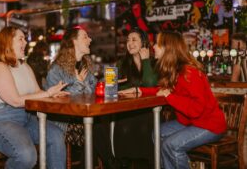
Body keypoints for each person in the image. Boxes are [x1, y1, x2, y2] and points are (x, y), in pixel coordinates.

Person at [120, 31, 227, 169]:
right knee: (157, 133)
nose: (153, 46)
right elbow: (163, 90)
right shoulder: (174, 71)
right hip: (191, 122)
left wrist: (170, 97)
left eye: (157, 44)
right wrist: (138, 90)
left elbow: (196, 108)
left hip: (209, 125)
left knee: (171, 145)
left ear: (167, 48)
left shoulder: (189, 73)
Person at [0, 26, 69, 169]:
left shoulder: (25, 66)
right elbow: (15, 101)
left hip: (26, 117)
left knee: (56, 136)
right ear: (7, 43)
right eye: (21, 39)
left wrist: (53, 94)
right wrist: (47, 93)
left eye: (25, 39)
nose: (25, 43)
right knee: (26, 155)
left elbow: (38, 92)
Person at [94, 28, 158, 168]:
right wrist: (114, 85)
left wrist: (145, 61)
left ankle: (146, 163)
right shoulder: (122, 63)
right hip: (125, 110)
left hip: (148, 110)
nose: (129, 43)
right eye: (128, 40)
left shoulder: (154, 62)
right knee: (124, 126)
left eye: (134, 40)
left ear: (144, 43)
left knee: (144, 126)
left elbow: (151, 83)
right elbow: (113, 89)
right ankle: (122, 162)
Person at [45, 25, 97, 135]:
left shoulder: (85, 65)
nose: (90, 39)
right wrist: (79, 83)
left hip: (85, 116)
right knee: (99, 128)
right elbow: (59, 104)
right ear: (74, 42)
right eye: (85, 37)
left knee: (106, 124)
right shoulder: (56, 70)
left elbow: (92, 96)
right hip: (64, 122)